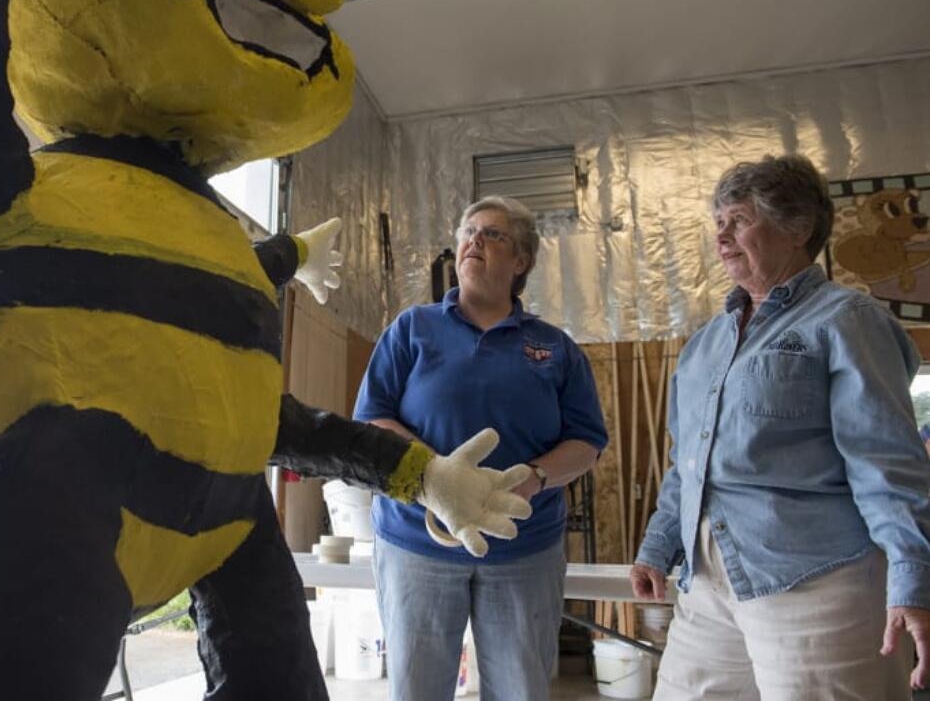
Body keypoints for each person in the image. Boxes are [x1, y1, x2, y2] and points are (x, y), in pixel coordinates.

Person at [631, 155, 930, 700]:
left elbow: (886, 463)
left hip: (818, 583)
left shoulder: (844, 320)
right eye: (717, 220)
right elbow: (688, 462)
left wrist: (912, 578)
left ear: (797, 229)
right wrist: (659, 544)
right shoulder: (706, 342)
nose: (720, 235)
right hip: (709, 582)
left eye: (739, 219)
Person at [353, 195, 608, 701]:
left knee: (521, 689)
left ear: (522, 261)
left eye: (493, 234)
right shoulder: (412, 329)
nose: (475, 240)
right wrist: (435, 476)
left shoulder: (555, 348)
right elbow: (371, 419)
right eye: (469, 231)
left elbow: (587, 440)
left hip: (525, 547)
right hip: (416, 542)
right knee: (417, 689)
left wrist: (533, 478)